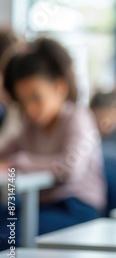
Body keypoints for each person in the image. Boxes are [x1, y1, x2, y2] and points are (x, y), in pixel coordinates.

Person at [0, 38, 105, 243]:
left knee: (11, 235)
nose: (30, 109)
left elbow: (70, 168)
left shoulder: (78, 117)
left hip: (77, 206)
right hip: (39, 205)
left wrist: (17, 162)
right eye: (23, 101)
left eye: (36, 97)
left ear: (59, 87)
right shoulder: (31, 127)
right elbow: (4, 153)